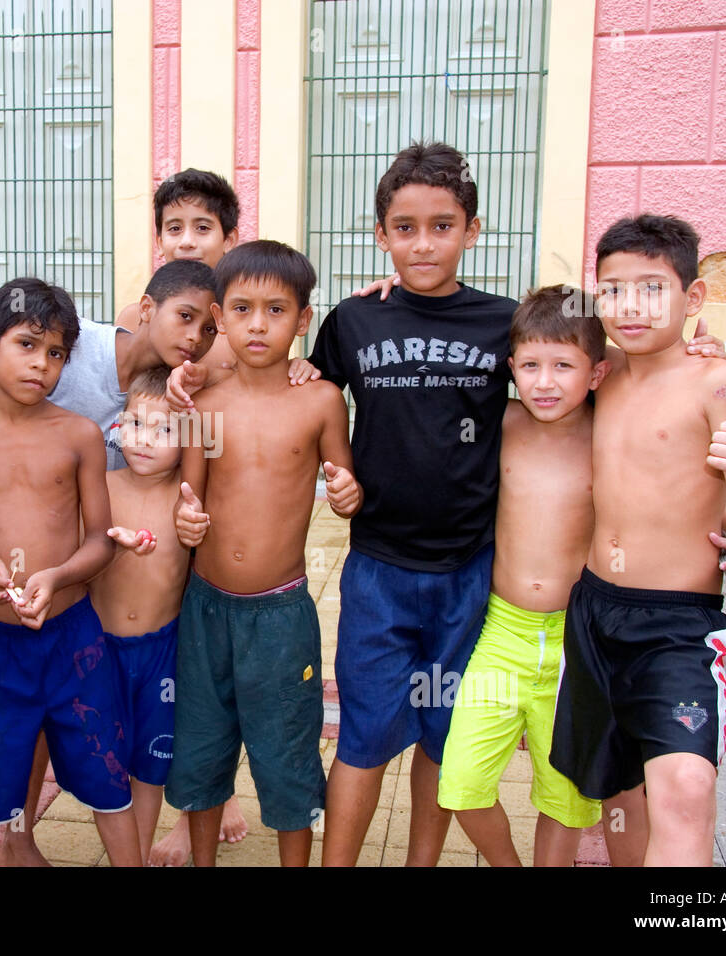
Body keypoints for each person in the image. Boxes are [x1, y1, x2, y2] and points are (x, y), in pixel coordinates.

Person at [0, 259, 218, 865]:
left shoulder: (81, 434)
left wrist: (58, 576)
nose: (41, 364)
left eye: (56, 354)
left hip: (74, 638)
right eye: (27, 345)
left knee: (105, 774)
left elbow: (98, 539)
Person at [306, 142, 518, 867]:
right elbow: (298, 390)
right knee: (363, 734)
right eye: (404, 227)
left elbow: (578, 378)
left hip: (470, 573)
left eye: (441, 225)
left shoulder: (506, 324)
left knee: (446, 734)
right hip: (377, 570)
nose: (422, 243)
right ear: (380, 235)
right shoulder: (354, 321)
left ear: (472, 229)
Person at [549, 214, 726, 866]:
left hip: (678, 627)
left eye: (652, 288)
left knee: (684, 787)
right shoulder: (601, 372)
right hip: (593, 614)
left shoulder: (719, 382)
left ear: (695, 297)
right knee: (620, 800)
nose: (630, 305)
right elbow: (523, 337)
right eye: (614, 289)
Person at [169, 240, 363, 866]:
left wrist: (346, 492)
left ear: (303, 319)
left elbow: (345, 490)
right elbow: (188, 494)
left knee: (288, 753)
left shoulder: (320, 400)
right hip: (205, 609)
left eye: (276, 310)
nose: (259, 324)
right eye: (243, 309)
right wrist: (186, 519)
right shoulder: (205, 402)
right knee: (200, 746)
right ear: (219, 318)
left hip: (281, 617)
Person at [435, 285, 609, 865]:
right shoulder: (504, 422)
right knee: (461, 782)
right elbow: (440, 360)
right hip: (502, 636)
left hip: (575, 644)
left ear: (596, 373)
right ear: (511, 370)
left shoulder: (608, 433)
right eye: (530, 365)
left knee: (564, 799)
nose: (545, 381)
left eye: (564, 366)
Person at [88, 367, 191, 862]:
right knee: (105, 766)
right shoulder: (100, 488)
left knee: (151, 767)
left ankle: (140, 851)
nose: (144, 440)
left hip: (161, 655)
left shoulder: (189, 500)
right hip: (99, 651)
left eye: (164, 429)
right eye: (134, 424)